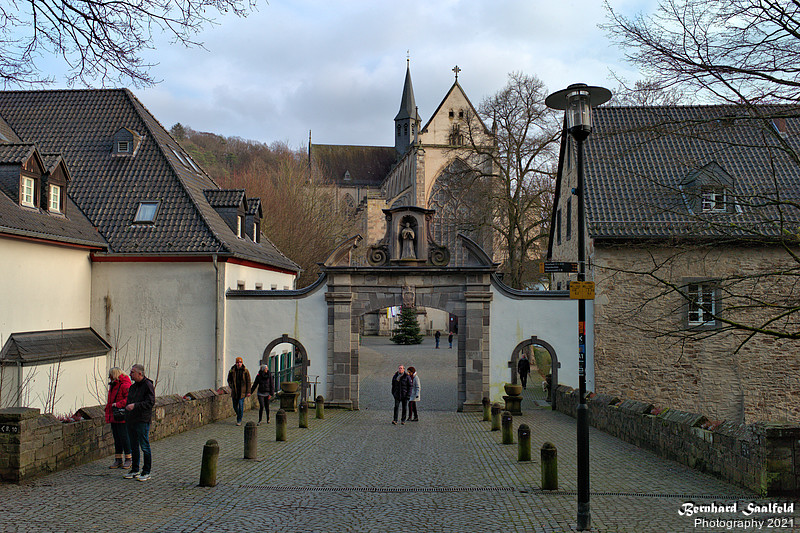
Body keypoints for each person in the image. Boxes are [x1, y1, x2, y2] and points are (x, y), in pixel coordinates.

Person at [124, 363, 155, 481]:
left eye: (132, 372)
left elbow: (150, 402)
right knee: (133, 446)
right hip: (131, 420)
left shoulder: (147, 385)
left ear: (139, 373)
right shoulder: (133, 387)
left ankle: (146, 471)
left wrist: (135, 406)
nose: (130, 375)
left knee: (144, 446)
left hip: (142, 420)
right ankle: (135, 469)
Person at [104, 367, 131, 469]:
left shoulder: (124, 385)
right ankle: (118, 459)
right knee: (117, 438)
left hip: (122, 415)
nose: (109, 377)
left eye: (110, 375)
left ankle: (128, 458)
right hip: (114, 415)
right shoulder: (114, 385)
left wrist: (118, 404)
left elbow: (128, 399)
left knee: (124, 437)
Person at [227, 357, 252, 426]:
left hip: (242, 392)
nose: (239, 364)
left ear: (242, 363)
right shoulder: (232, 370)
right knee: (235, 406)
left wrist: (248, 391)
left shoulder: (245, 371)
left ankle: (239, 419)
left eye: (240, 362)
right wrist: (231, 385)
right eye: (237, 362)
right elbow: (229, 379)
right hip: (235, 391)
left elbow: (248, 382)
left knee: (241, 406)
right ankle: (239, 415)